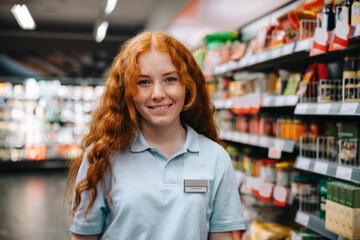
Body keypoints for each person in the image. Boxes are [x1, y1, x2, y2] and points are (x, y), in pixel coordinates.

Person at [66, 31, 246, 240]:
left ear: (187, 85)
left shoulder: (215, 158)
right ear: (127, 91)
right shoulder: (101, 157)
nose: (158, 94)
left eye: (170, 79)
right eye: (144, 82)